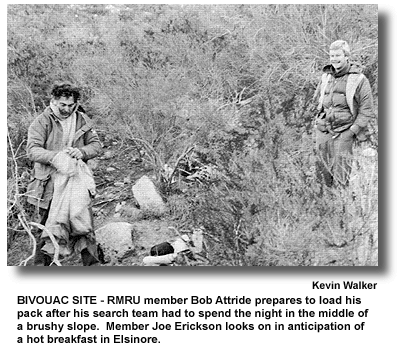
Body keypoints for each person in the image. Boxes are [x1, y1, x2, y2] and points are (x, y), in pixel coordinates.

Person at [26, 82, 103, 266]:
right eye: (62, 104)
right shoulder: (42, 121)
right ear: (53, 101)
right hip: (48, 185)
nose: (67, 109)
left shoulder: (81, 119)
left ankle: (93, 268)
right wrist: (55, 157)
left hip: (76, 182)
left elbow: (96, 145)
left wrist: (81, 152)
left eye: (71, 105)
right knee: (46, 230)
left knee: (83, 224)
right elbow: (32, 150)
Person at [313, 40, 374, 187]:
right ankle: (324, 208)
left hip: (344, 131)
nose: (334, 59)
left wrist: (353, 131)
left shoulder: (359, 79)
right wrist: (317, 121)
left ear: (346, 56)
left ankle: (341, 208)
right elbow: (317, 100)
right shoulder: (325, 76)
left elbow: (366, 109)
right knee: (322, 176)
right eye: (331, 55)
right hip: (323, 130)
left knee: (341, 177)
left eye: (337, 55)